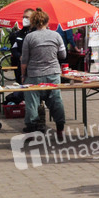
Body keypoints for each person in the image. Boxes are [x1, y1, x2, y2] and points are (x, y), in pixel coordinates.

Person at [20, 9, 67, 137]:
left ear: (33, 22)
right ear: (47, 21)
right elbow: (63, 55)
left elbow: (24, 60)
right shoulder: (56, 36)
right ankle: (60, 128)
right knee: (56, 100)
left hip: (34, 74)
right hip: (53, 73)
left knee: (32, 102)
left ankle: (32, 128)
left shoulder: (29, 37)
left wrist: (23, 75)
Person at [10, 8, 34, 84]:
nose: (24, 19)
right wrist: (19, 56)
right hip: (20, 67)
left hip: (34, 67)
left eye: (27, 17)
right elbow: (14, 49)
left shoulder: (37, 33)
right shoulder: (20, 34)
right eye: (23, 17)